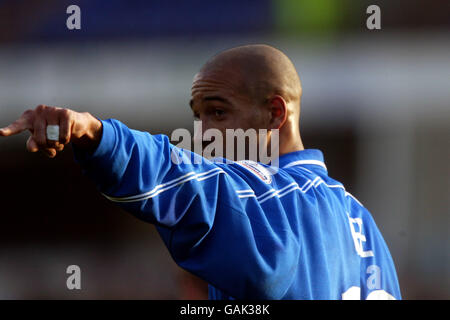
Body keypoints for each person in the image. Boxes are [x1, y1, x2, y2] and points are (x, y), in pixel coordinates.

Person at [0, 44, 401, 300]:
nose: (203, 133)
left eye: (218, 112)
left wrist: (93, 133)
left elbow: (180, 176)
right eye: (198, 116)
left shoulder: (270, 198)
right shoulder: (363, 223)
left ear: (275, 114)